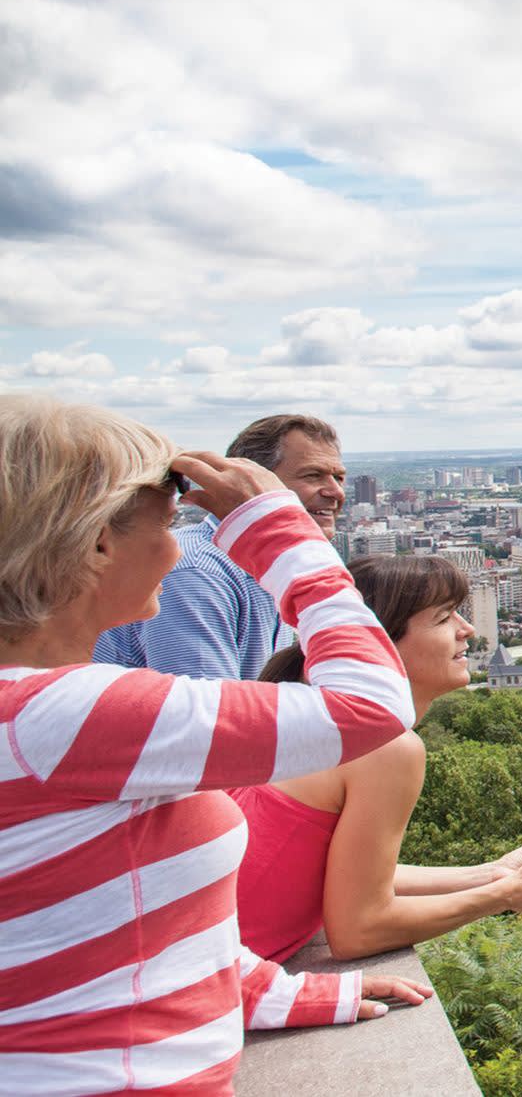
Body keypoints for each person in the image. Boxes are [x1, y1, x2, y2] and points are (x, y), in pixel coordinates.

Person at [0, 396, 428, 1095]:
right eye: (170, 525)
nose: (183, 546)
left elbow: (121, 912)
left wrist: (270, 994)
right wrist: (281, 535)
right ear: (97, 545)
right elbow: (372, 708)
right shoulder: (55, 716)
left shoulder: (38, 716)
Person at [236, 555, 522, 962]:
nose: (467, 630)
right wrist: (507, 895)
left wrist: (494, 874)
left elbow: (350, 878)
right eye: (444, 619)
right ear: (381, 643)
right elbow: (359, 929)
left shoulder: (313, 715)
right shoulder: (384, 746)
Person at [95, 413, 348, 680]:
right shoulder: (198, 573)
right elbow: (204, 715)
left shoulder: (268, 569)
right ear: (253, 481)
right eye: (313, 475)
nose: (335, 492)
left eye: (339, 478)